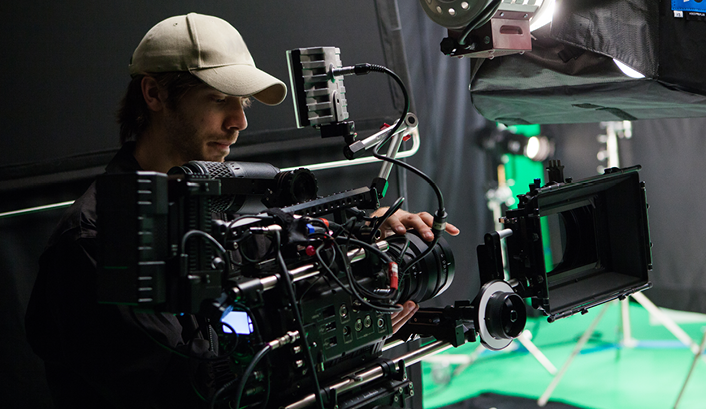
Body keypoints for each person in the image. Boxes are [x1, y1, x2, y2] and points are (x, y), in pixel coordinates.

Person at [25, 12, 459, 409]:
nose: (240, 121)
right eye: (219, 99)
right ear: (154, 94)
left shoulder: (224, 199)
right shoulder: (100, 239)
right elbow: (191, 384)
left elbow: (282, 259)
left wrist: (366, 238)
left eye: (244, 104)